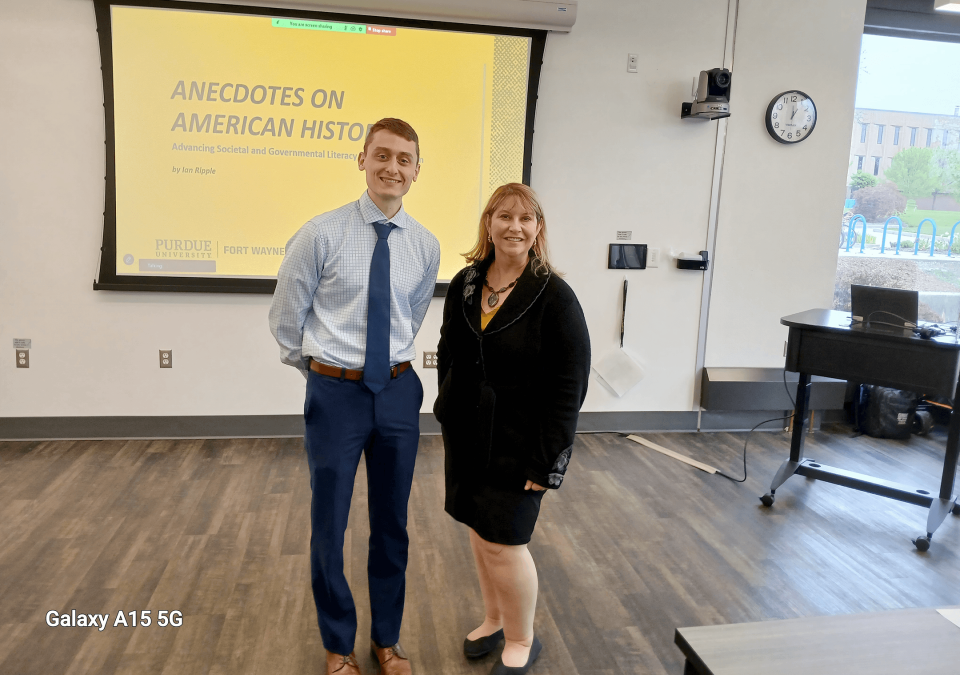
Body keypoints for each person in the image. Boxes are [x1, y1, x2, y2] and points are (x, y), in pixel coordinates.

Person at [269, 118, 440, 675]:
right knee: (330, 524)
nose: (393, 167)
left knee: (392, 524)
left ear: (417, 171)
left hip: (396, 392)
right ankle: (338, 645)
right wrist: (322, 374)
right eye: (383, 155)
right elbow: (286, 320)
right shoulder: (320, 233)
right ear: (362, 159)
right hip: (335, 395)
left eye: (405, 159)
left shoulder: (425, 245)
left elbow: (409, 316)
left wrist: (380, 370)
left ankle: (386, 641)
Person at [434, 183, 590, 675]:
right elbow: (450, 351)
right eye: (504, 216)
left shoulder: (555, 296)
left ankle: (523, 638)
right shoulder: (465, 283)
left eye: (525, 219)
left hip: (522, 443)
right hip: (469, 436)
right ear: (488, 224)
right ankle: (495, 618)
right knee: (482, 535)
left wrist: (547, 461)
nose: (514, 227)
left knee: (505, 541)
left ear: (538, 229)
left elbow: (570, 386)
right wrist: (448, 408)